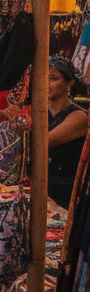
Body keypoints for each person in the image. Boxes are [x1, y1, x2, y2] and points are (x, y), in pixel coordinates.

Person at [46, 57, 89, 209]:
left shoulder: (78, 116)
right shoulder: (40, 112)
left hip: (65, 192)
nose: (46, 83)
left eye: (54, 78)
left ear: (69, 83)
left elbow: (45, 141)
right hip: (42, 185)